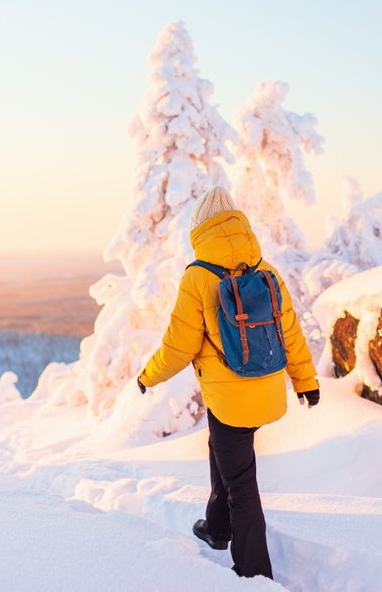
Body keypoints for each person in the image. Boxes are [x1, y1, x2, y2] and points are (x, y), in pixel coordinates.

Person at [137, 186, 320, 580]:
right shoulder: (265, 269)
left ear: (200, 228)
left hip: (228, 396)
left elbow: (178, 347)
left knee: (241, 482)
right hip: (268, 387)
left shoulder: (199, 276)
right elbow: (291, 332)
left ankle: (254, 572)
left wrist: (147, 376)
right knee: (222, 449)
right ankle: (217, 529)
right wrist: (305, 381)